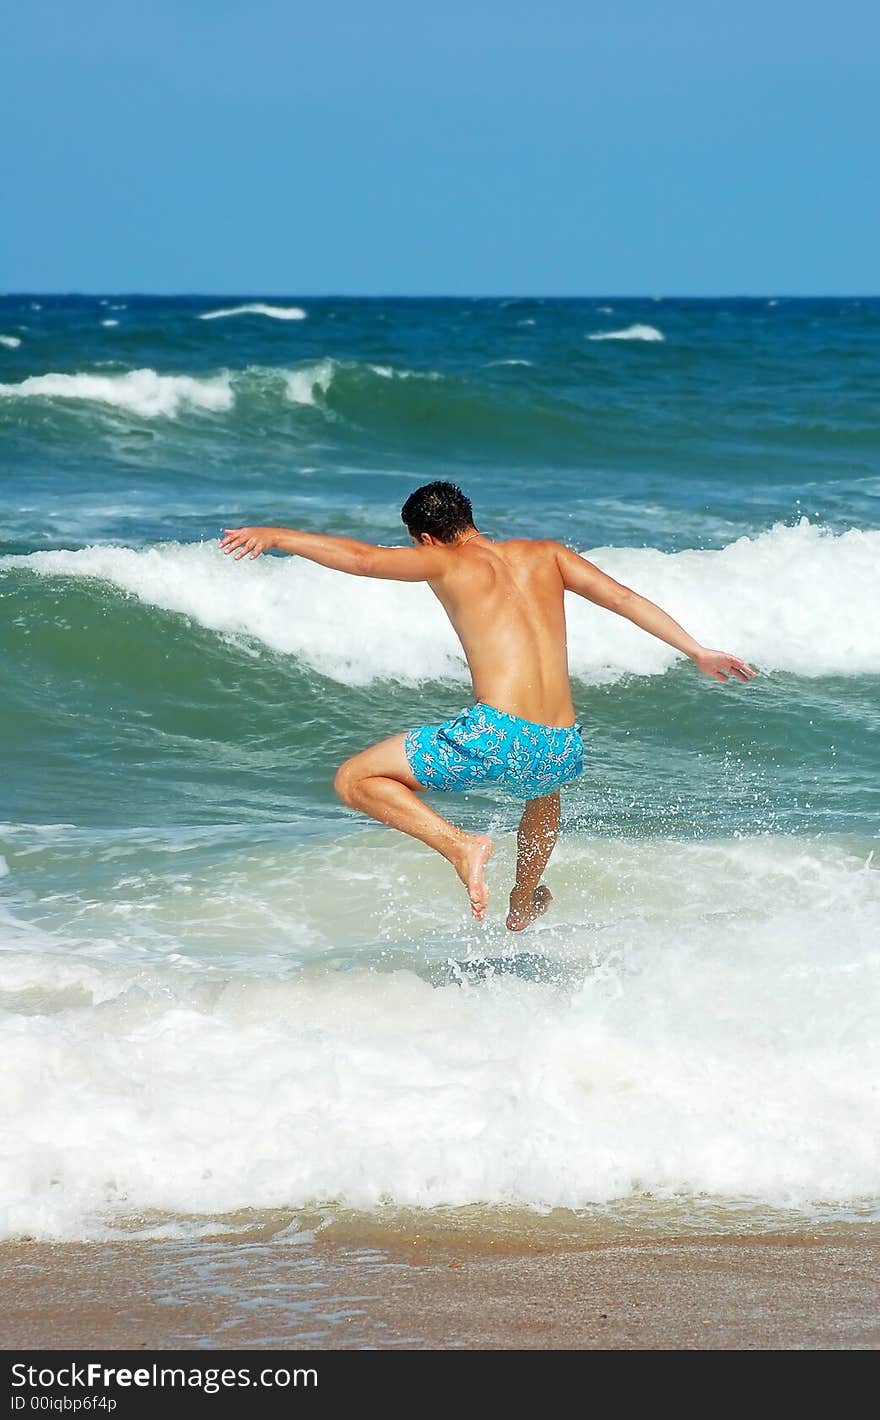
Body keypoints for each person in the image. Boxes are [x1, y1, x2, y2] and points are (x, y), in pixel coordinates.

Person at [221, 482, 755, 930]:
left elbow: (363, 560)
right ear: (469, 516)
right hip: (564, 742)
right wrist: (697, 650)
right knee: (543, 791)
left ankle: (460, 847)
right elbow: (623, 598)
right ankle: (523, 896)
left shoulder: (446, 561)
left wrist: (277, 536)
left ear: (426, 537)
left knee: (354, 780)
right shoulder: (547, 554)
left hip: (498, 733)